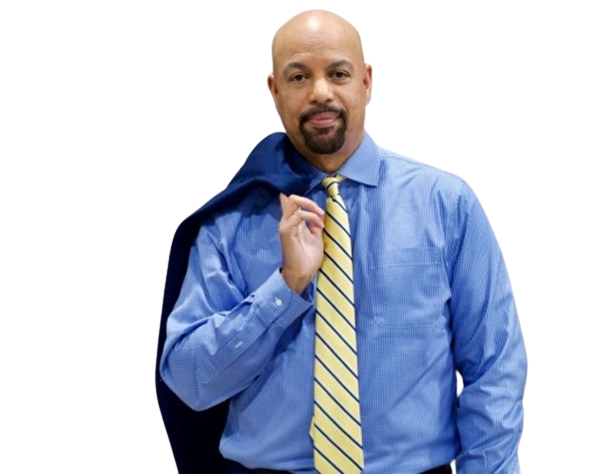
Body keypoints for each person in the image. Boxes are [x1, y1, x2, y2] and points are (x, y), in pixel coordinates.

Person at [156, 9, 528, 474]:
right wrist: (285, 286)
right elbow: (191, 382)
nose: (320, 93)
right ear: (274, 90)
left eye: (338, 73)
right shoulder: (230, 221)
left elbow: (495, 367)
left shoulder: (447, 203)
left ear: (366, 82)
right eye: (298, 77)